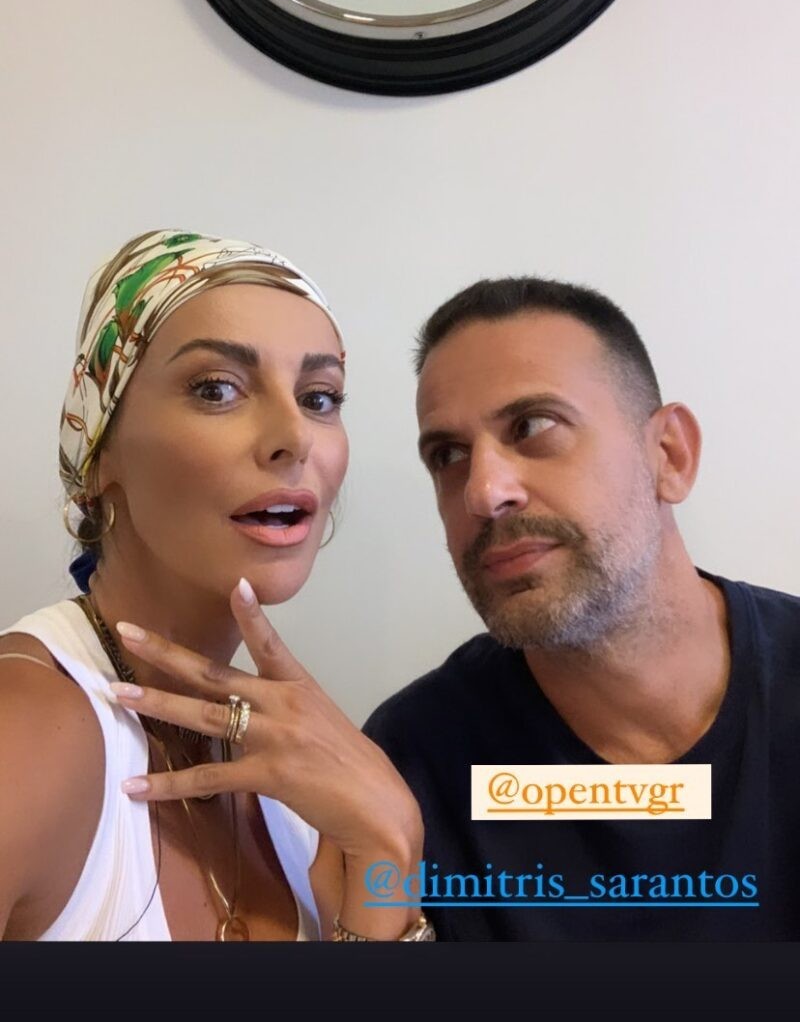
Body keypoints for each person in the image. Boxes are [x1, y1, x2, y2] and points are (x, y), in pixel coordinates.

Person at [0, 228, 429, 943]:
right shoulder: (26, 729)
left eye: (320, 397)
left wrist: (390, 848)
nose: (295, 436)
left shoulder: (301, 773)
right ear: (99, 448)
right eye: (216, 389)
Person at [363, 276, 800, 941]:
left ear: (669, 455)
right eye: (448, 456)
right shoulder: (414, 764)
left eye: (533, 426)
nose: (483, 491)